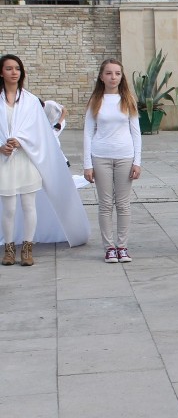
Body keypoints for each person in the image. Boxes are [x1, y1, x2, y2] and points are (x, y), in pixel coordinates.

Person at [1, 55, 89, 266]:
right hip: (4, 161)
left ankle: (27, 248)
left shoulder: (31, 101)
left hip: (26, 159)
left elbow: (40, 132)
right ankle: (9, 248)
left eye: (17, 69)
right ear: (1, 72)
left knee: (29, 205)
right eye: (9, 68)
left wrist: (22, 141)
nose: (14, 72)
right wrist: (1, 146)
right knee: (9, 208)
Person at [83, 58, 143, 263]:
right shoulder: (95, 100)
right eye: (109, 73)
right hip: (101, 157)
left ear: (121, 76)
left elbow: (136, 133)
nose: (113, 77)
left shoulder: (128, 99)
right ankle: (109, 247)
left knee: (123, 204)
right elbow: (88, 133)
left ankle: (122, 246)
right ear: (102, 76)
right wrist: (87, 164)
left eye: (117, 73)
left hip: (125, 156)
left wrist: (137, 161)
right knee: (105, 204)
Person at [41, 97, 69, 166]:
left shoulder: (51, 104)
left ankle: (63, 161)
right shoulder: (38, 111)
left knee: (53, 137)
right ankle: (65, 161)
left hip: (59, 122)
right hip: (50, 125)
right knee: (49, 140)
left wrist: (59, 123)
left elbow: (64, 110)